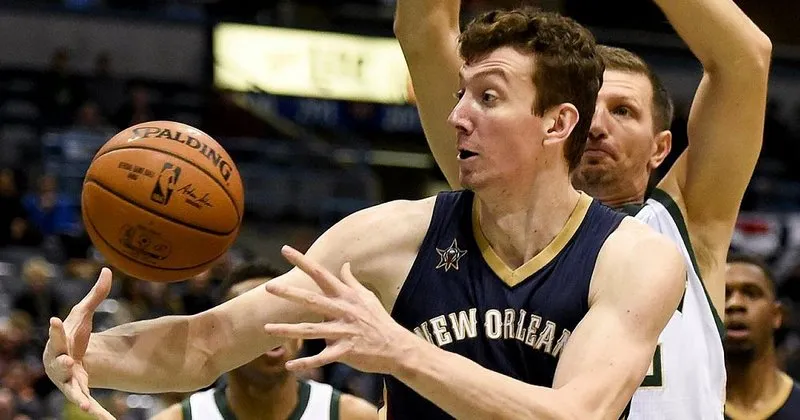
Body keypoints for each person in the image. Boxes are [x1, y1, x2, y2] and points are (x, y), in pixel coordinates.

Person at [43, 8, 685, 420]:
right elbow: (209, 342)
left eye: (488, 98)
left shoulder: (634, 258)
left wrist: (401, 352)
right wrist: (87, 353)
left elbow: (576, 415)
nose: (458, 115)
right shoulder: (389, 236)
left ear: (557, 123)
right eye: (460, 95)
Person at [394, 0, 771, 417]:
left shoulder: (686, 221)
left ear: (660, 147)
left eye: (622, 111)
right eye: (588, 110)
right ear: (556, 121)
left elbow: (745, 60)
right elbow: (425, 33)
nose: (596, 126)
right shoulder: (498, 196)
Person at [151, 262, 377, 420]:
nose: (271, 330)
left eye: (281, 315)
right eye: (252, 319)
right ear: (220, 340)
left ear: (299, 335)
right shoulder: (178, 418)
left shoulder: (353, 416)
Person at [724, 254, 800, 420]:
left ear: (777, 315)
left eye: (751, 293)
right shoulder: (683, 407)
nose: (735, 304)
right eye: (724, 294)